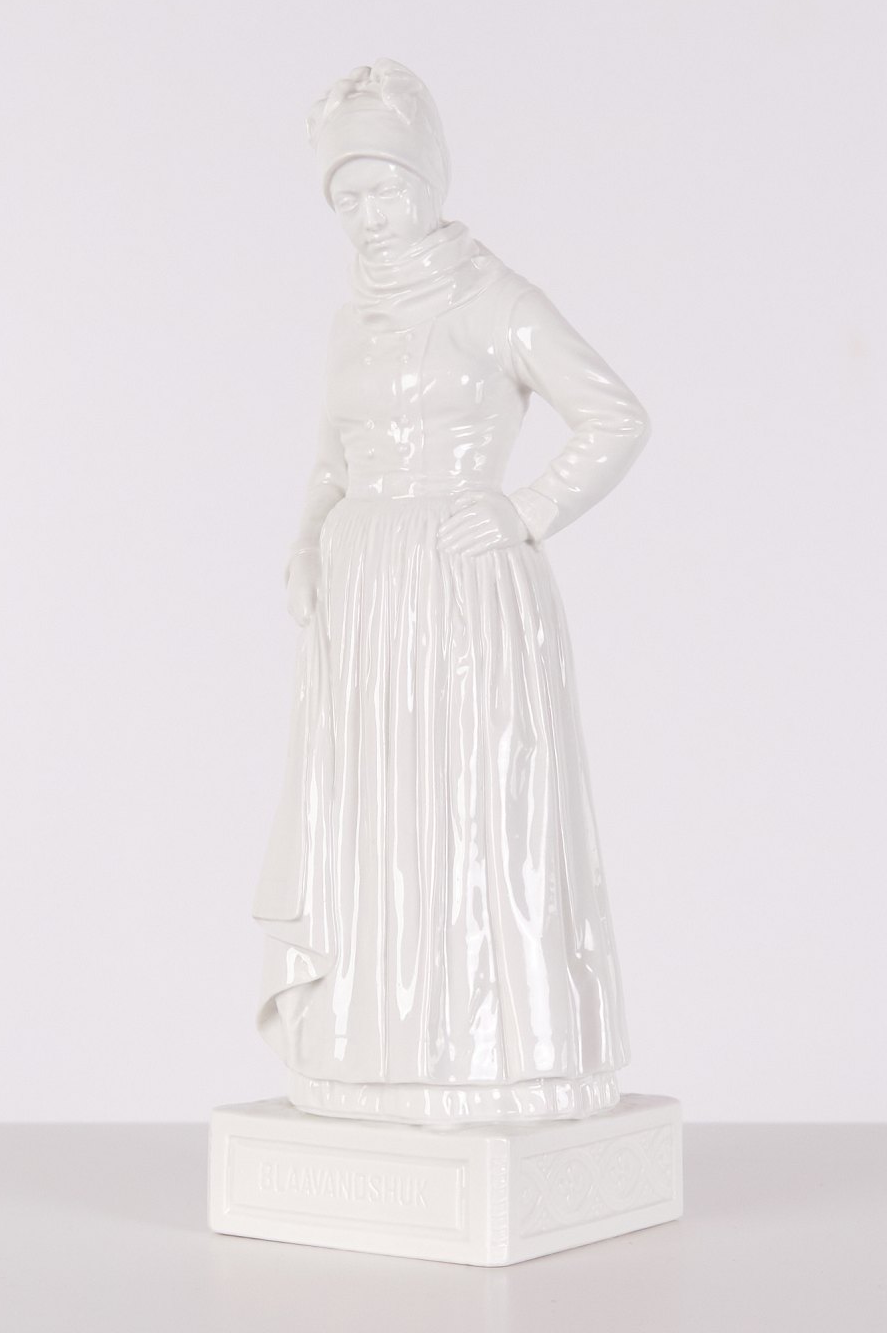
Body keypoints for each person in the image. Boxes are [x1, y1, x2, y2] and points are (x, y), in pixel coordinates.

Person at [253, 60, 651, 1124]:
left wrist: (530, 508)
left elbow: (614, 416)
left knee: (474, 809)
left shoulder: (496, 302)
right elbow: (332, 456)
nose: (368, 216)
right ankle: (369, 1053)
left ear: (428, 180)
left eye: (384, 189)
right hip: (363, 591)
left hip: (464, 588)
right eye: (346, 198)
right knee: (371, 812)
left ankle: (502, 1054)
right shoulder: (351, 321)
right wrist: (306, 542)